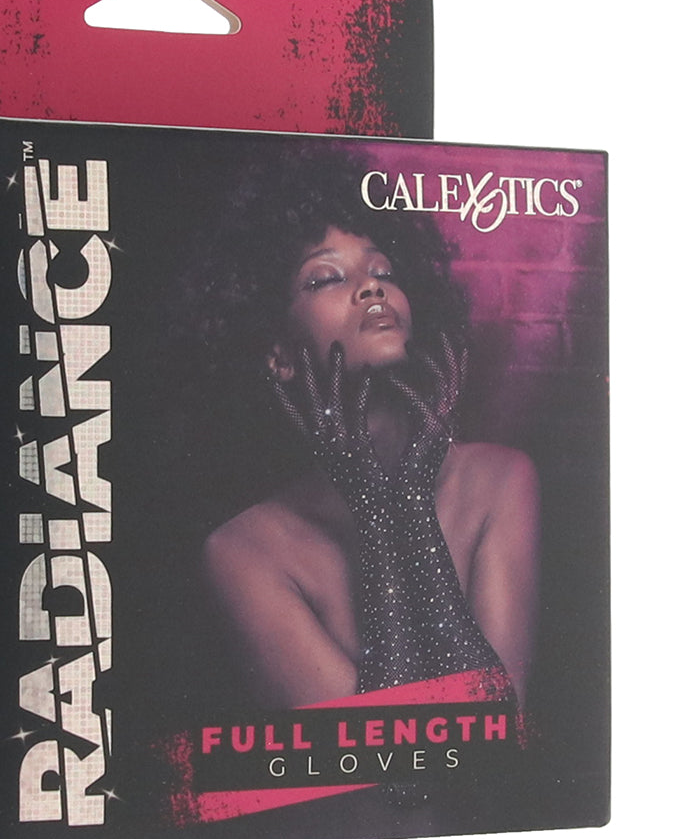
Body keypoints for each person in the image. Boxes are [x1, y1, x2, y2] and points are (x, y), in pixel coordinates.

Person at [190, 148, 540, 713]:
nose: (370, 288)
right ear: (279, 354)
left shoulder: (501, 480)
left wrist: (411, 505)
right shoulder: (241, 551)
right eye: (326, 278)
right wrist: (379, 515)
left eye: (382, 272)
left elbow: (494, 736)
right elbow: (377, 760)